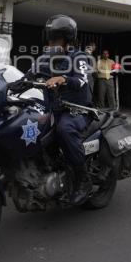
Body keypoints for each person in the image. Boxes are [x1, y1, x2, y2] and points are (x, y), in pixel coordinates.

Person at [35, 15, 92, 205]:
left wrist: (64, 79)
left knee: (64, 129)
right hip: (54, 109)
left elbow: (82, 80)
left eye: (55, 40)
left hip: (77, 110)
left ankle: (83, 180)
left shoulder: (78, 57)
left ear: (67, 41)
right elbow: (28, 74)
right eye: (50, 40)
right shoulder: (46, 58)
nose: (51, 44)